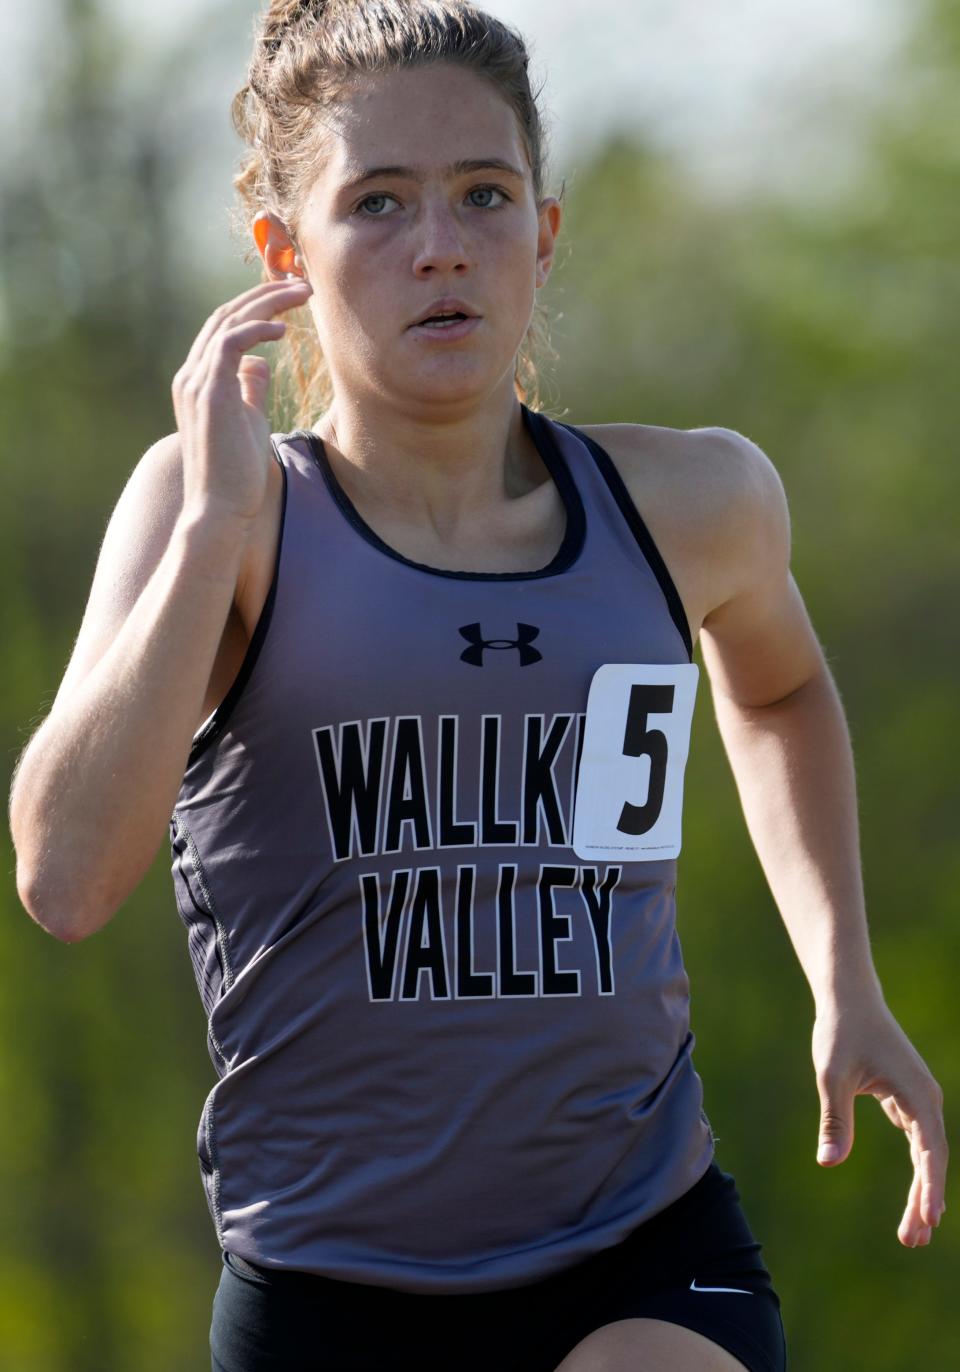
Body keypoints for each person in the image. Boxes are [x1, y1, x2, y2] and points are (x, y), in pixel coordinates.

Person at [9, 2, 948, 1370]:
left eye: (483, 195)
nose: (439, 245)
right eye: (379, 202)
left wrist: (844, 976)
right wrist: (211, 528)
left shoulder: (691, 506)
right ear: (286, 256)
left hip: (643, 1245)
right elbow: (65, 880)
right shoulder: (228, 519)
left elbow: (780, 692)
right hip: (331, 1292)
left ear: (543, 233)